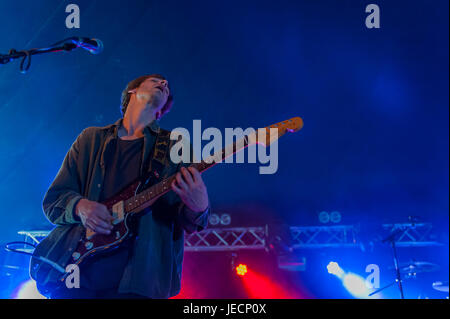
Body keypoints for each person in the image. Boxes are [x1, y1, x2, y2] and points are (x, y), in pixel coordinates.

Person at [42, 74, 210, 299]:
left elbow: (190, 221)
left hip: (139, 282)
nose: (164, 84)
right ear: (132, 91)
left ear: (162, 110)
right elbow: (54, 201)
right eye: (156, 81)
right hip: (75, 275)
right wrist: (81, 207)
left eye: (167, 88)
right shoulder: (91, 139)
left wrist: (199, 207)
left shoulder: (176, 145)